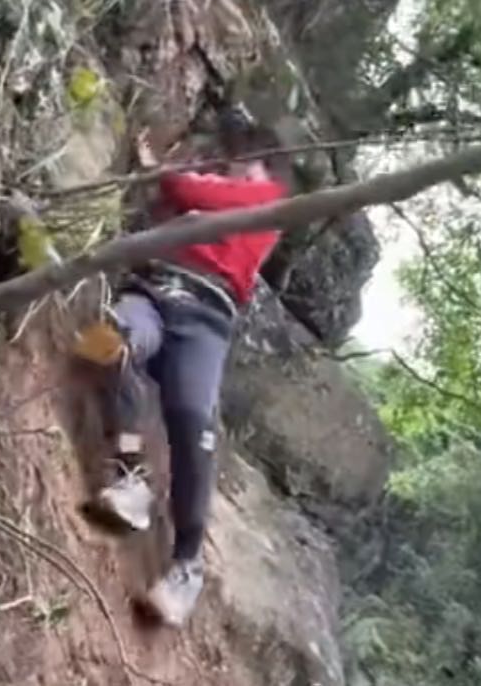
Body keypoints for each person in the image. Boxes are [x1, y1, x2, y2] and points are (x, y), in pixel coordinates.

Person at [90, 107, 288, 628]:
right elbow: (178, 201)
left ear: (266, 168)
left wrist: (164, 170)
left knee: (193, 423)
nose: (235, 167)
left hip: (205, 317)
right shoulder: (213, 191)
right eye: (234, 160)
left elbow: (196, 193)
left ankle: (186, 566)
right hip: (154, 292)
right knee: (113, 342)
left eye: (246, 162)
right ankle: (130, 475)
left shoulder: (268, 201)